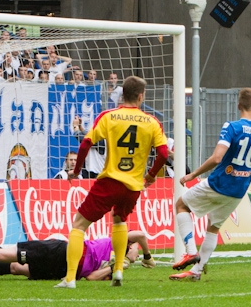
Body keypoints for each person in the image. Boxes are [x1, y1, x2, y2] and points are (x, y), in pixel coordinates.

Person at [54, 76, 168, 289]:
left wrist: (75, 171)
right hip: (133, 187)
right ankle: (118, 271)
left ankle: (70, 278)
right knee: (119, 221)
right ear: (140, 96)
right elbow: (163, 153)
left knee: (79, 224)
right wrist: (151, 175)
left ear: (121, 94)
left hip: (110, 181)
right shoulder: (152, 122)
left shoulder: (109, 116)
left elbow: (85, 144)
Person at [170, 88, 251, 281]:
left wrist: (193, 174)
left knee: (181, 205)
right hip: (239, 189)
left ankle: (190, 251)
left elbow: (217, 158)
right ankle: (196, 271)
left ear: (238, 105)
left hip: (220, 182)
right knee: (213, 227)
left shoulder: (232, 127)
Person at [0, 231, 153, 281]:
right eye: (134, 248)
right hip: (62, 252)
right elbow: (141, 235)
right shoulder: (118, 241)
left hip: (66, 270)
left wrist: (115, 266)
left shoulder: (116, 266)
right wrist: (146, 255)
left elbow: (90, 277)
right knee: (3, 255)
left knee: (17, 269)